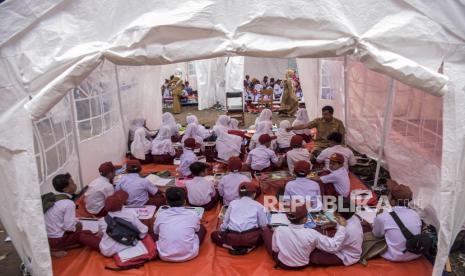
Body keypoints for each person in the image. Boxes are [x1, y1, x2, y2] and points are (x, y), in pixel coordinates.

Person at [45, 173, 101, 256]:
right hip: (57, 240)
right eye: (72, 183)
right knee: (84, 234)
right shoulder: (68, 203)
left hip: (47, 239)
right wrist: (78, 225)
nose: (75, 185)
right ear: (66, 189)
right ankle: (104, 247)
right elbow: (68, 227)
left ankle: (56, 248)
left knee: (85, 231)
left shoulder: (52, 198)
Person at [211, 182, 267, 255]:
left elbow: (225, 222)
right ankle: (250, 248)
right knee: (265, 234)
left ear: (239, 194)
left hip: (232, 238)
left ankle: (231, 247)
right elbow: (263, 225)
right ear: (254, 194)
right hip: (250, 238)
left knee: (214, 235)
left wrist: (222, 233)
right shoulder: (259, 206)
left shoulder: (232, 203)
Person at [373, 180, 422, 262]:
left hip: (394, 256)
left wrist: (377, 215)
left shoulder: (384, 216)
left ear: (392, 200)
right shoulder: (415, 214)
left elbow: (377, 234)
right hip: (415, 253)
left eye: (389, 195)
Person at [153, 187, 207, 262]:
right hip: (189, 255)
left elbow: (155, 232)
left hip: (164, 255)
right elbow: (197, 230)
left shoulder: (160, 215)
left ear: (167, 202)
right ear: (185, 202)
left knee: (155, 233)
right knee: (202, 228)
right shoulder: (193, 214)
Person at [262, 205, 318, 270]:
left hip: (283, 264)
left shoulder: (279, 230)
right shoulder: (312, 233)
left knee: (266, 231)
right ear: (305, 219)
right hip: (304, 264)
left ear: (287, 218)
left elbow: (275, 249)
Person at [310, 198, 363, 266]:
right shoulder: (353, 217)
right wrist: (335, 224)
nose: (332, 211)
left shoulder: (347, 230)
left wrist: (316, 239)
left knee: (314, 257)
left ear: (338, 214)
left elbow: (333, 247)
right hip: (343, 245)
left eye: (334, 209)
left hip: (346, 255)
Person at [99, 190, 148, 257]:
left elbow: (101, 234)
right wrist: (140, 237)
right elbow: (143, 230)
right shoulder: (129, 215)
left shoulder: (102, 220)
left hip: (106, 251)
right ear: (121, 205)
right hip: (125, 248)